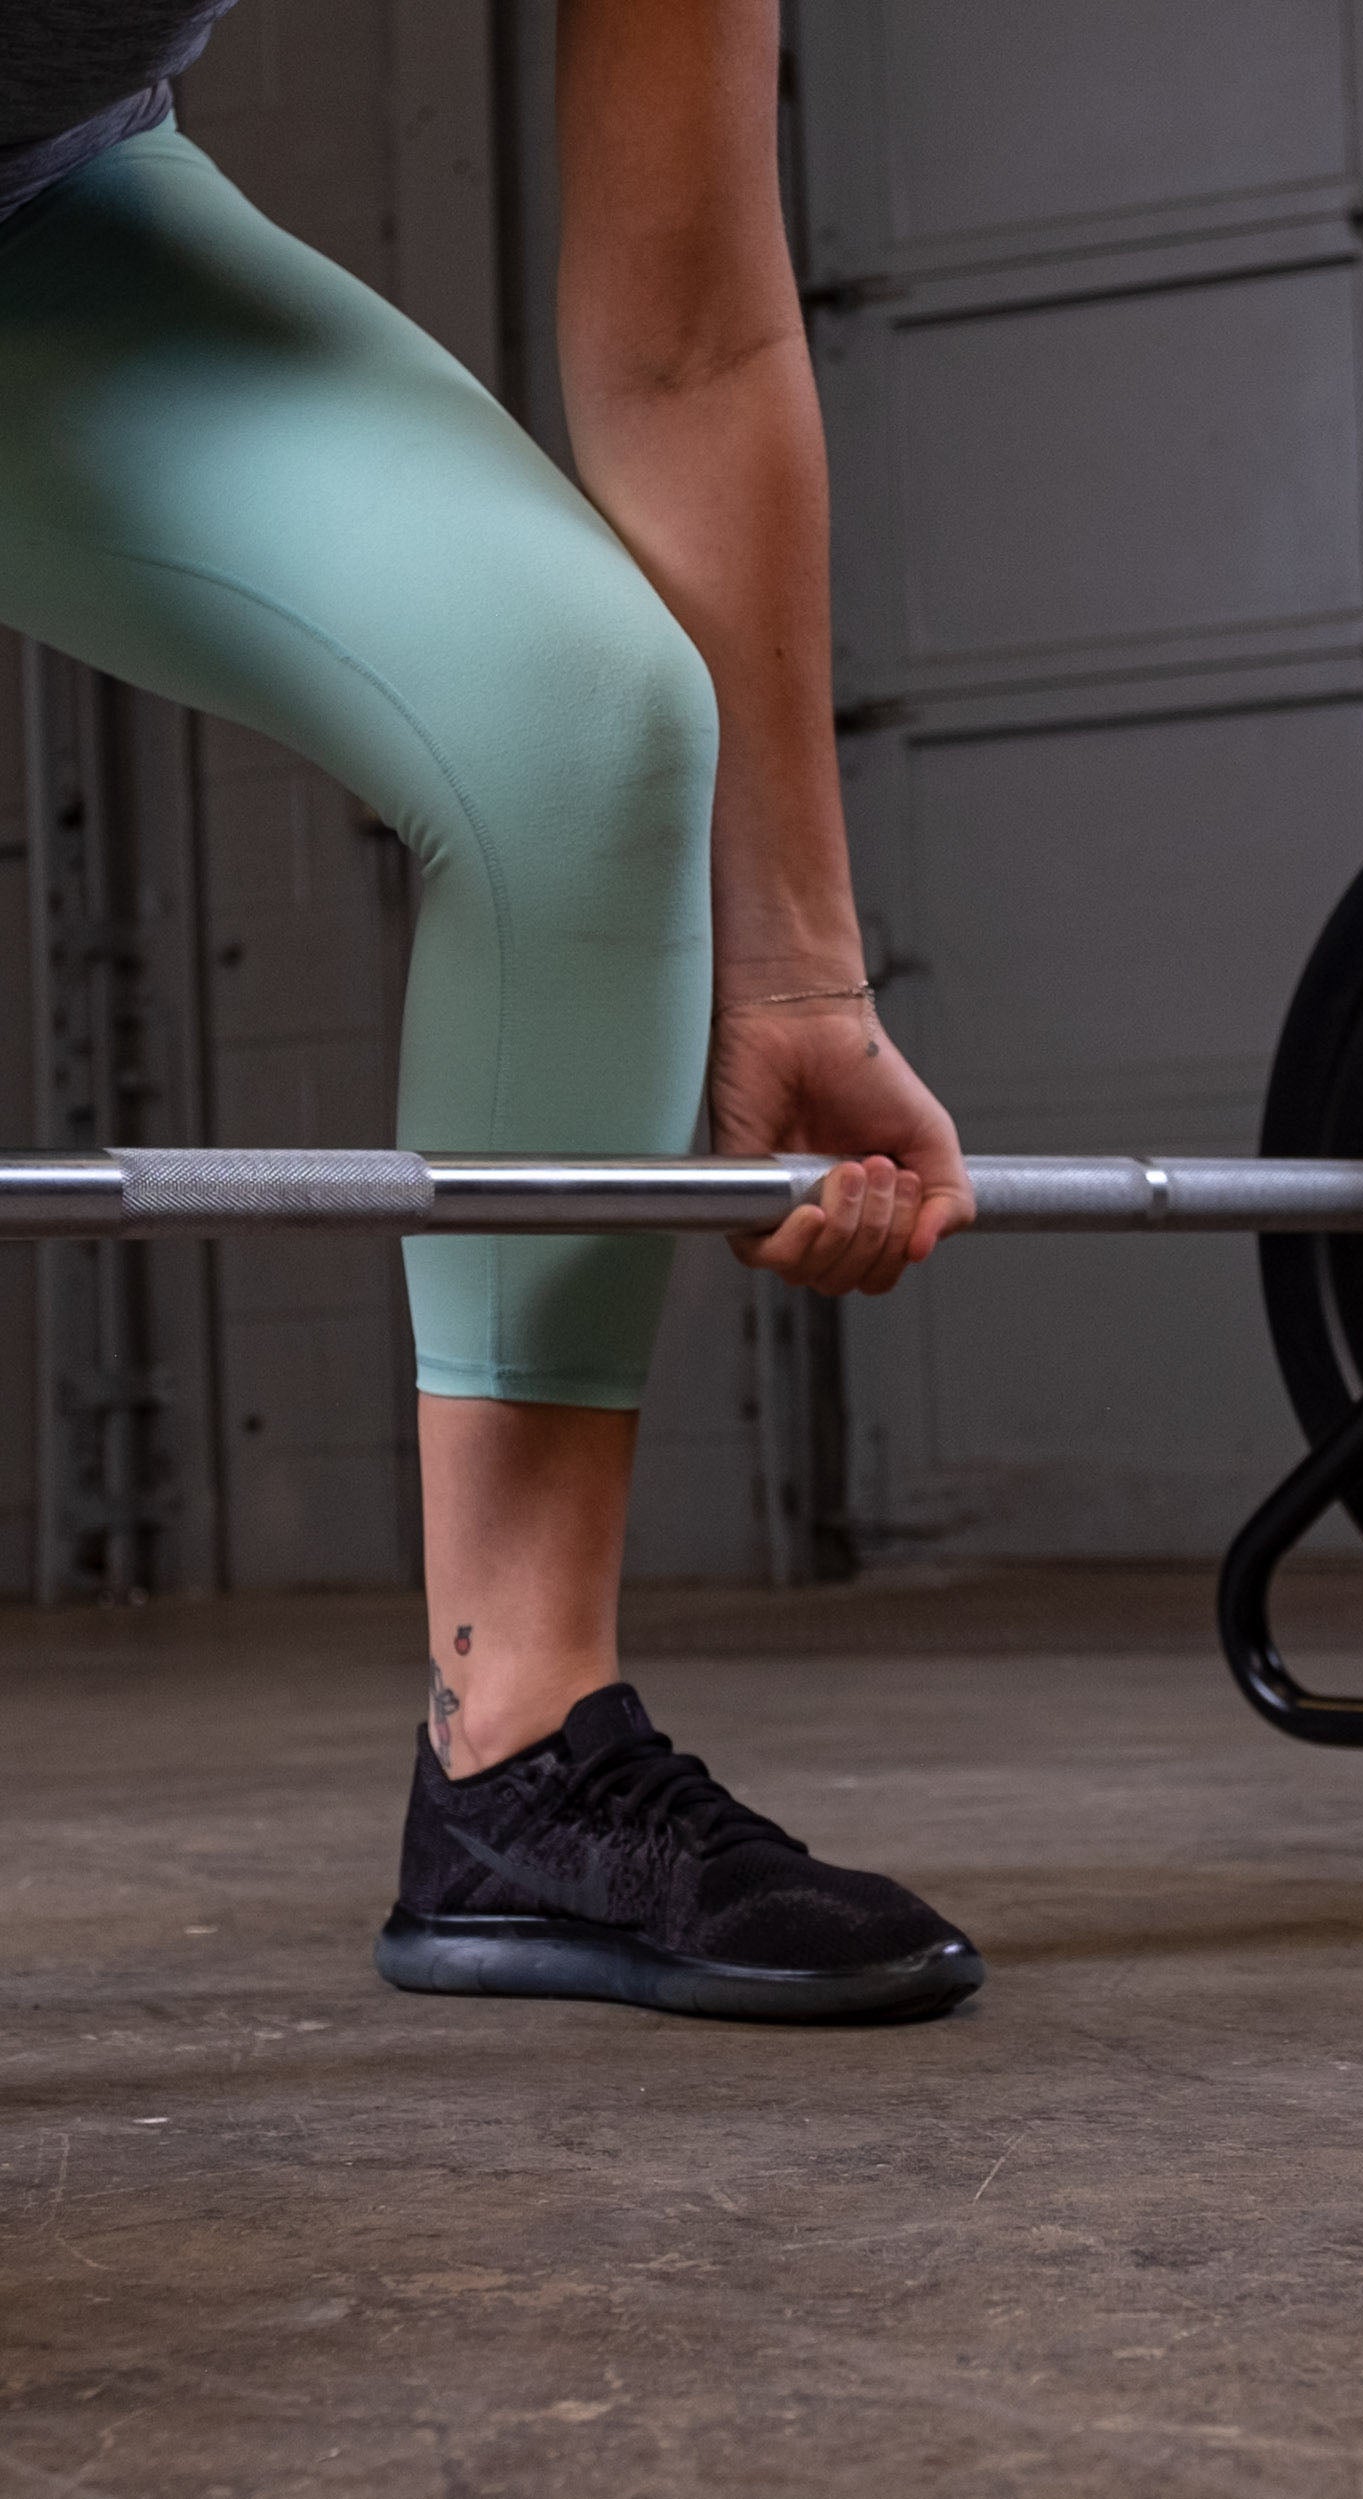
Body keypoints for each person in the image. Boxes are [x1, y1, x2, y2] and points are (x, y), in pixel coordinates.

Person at [0, 2, 985, 2021]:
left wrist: (795, 964)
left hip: (43, 209)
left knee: (577, 708)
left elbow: (694, 339)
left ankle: (516, 1748)